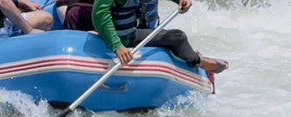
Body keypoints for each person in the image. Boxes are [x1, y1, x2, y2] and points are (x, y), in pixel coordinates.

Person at [59, 0, 228, 78]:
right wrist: (117, 46)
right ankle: (199, 61)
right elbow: (99, 13)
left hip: (137, 31)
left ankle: (191, 59)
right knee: (179, 37)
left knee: (171, 37)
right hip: (124, 38)